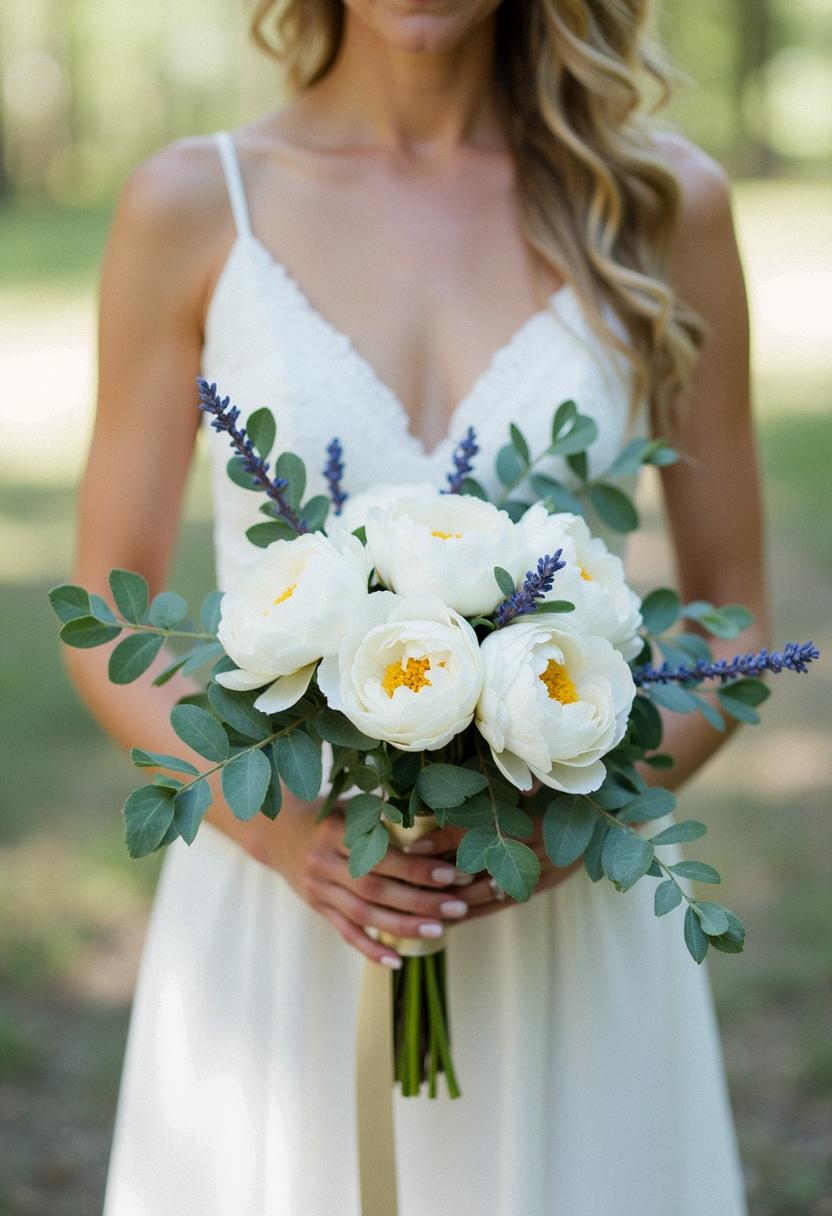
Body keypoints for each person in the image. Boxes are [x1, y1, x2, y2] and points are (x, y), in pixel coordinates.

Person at [66, 2, 767, 1213]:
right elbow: (101, 598)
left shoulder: (660, 206)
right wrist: (283, 835)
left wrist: (558, 834)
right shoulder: (190, 203)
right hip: (289, 902)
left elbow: (737, 620)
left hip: (564, 908)